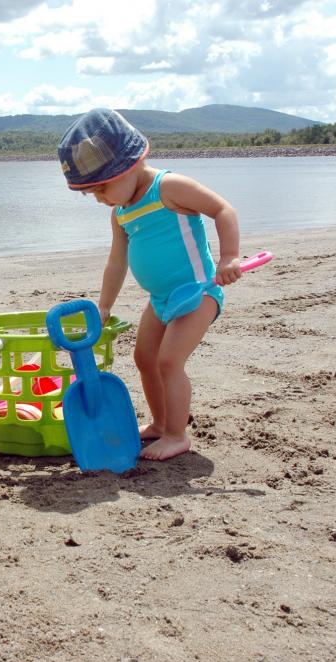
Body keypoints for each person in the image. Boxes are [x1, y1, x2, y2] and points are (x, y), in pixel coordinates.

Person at [58, 108, 242, 461]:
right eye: (92, 194)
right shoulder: (121, 211)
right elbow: (116, 261)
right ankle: (159, 424)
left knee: (169, 361)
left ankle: (177, 434)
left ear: (127, 167)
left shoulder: (168, 188)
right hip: (159, 300)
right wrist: (104, 305)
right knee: (144, 358)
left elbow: (223, 209)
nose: (101, 199)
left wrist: (229, 257)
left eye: (102, 189)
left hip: (196, 292)